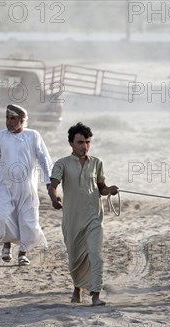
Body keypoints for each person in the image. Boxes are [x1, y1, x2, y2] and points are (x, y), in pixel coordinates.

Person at [48, 122, 118, 306]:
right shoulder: (62, 164)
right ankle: (77, 288)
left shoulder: (97, 163)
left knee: (96, 255)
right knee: (75, 258)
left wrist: (110, 190)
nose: (84, 146)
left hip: (94, 217)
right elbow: (53, 185)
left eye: (87, 142)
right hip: (72, 220)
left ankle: (95, 295)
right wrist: (54, 199)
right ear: (71, 143)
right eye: (80, 142)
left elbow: (101, 188)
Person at [0, 104, 53, 266]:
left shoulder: (34, 136)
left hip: (27, 188)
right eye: (7, 118)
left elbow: (44, 160)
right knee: (3, 217)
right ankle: (6, 244)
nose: (9, 122)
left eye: (13, 118)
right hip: (3, 186)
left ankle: (23, 252)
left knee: (28, 221)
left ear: (22, 120)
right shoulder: (0, 137)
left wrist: (49, 181)